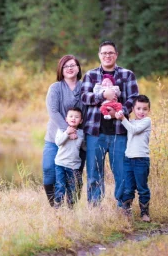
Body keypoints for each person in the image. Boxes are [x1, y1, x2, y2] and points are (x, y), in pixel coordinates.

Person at [81, 40, 139, 206]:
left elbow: (133, 98)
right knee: (94, 173)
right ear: (99, 55)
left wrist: (119, 112)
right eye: (104, 53)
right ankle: (95, 209)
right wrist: (102, 95)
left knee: (121, 172)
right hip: (95, 132)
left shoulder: (127, 75)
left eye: (110, 53)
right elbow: (84, 97)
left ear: (116, 55)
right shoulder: (90, 75)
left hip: (119, 132)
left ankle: (123, 208)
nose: (107, 56)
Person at [42, 55, 85, 207]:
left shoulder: (84, 87)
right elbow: (53, 111)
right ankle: (55, 206)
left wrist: (77, 132)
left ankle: (72, 208)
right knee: (49, 170)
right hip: (55, 137)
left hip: (77, 140)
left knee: (74, 176)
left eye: (73, 65)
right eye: (66, 66)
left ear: (78, 68)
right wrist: (68, 130)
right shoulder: (55, 88)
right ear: (61, 69)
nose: (70, 68)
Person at [115, 95, 152, 222]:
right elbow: (128, 127)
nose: (141, 112)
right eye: (139, 108)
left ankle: (144, 213)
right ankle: (126, 211)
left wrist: (123, 119)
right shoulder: (130, 122)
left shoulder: (146, 121)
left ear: (149, 110)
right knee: (128, 187)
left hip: (141, 159)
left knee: (142, 187)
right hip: (128, 159)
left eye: (145, 109)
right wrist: (116, 113)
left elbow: (134, 130)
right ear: (133, 109)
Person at [54, 107, 85, 208]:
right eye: (71, 116)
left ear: (81, 121)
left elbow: (84, 147)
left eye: (76, 117)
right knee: (60, 185)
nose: (73, 118)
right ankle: (58, 205)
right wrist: (67, 133)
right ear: (66, 119)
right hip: (60, 164)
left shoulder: (81, 133)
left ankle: (71, 207)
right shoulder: (62, 130)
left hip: (74, 166)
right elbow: (58, 142)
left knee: (73, 187)